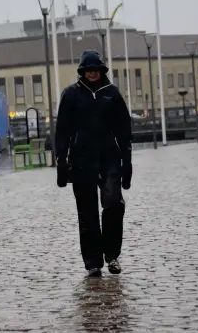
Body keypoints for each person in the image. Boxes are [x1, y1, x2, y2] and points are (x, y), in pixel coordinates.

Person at [55, 49, 132, 277]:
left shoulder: (112, 95)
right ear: (82, 71)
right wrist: (61, 159)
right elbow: (62, 131)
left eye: (95, 69)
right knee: (87, 213)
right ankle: (93, 262)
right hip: (81, 160)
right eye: (88, 70)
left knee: (113, 204)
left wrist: (127, 160)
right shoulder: (71, 95)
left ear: (101, 70)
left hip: (109, 157)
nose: (92, 73)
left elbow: (124, 130)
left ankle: (111, 253)